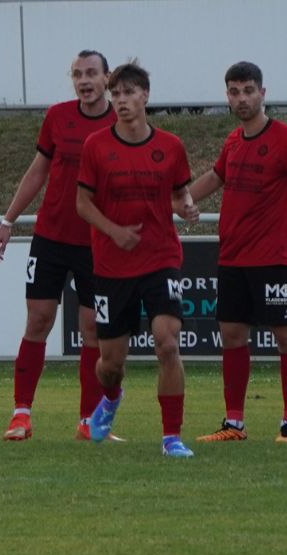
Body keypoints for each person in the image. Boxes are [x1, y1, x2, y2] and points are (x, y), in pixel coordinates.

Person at [186, 62, 287, 444]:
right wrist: (180, 199)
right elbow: (215, 178)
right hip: (232, 257)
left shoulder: (286, 139)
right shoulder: (233, 141)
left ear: (262, 93)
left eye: (248, 90)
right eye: (234, 91)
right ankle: (234, 424)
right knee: (232, 336)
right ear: (227, 96)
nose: (242, 98)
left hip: (272, 257)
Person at [76, 60, 200, 457]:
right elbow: (82, 203)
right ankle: (111, 398)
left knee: (167, 343)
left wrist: (187, 206)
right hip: (112, 266)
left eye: (129, 93)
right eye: (116, 94)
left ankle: (171, 438)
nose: (121, 101)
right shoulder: (97, 146)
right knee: (109, 364)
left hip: (161, 258)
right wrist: (112, 230)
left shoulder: (171, 146)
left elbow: (180, 195)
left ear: (145, 95)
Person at [0, 50, 116, 442]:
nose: (84, 80)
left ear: (107, 78)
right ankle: (21, 415)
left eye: (91, 73)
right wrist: (8, 220)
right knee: (38, 319)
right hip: (51, 237)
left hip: (96, 242)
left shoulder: (120, 122)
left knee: (92, 328)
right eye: (77, 74)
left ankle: (87, 422)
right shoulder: (58, 116)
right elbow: (39, 170)